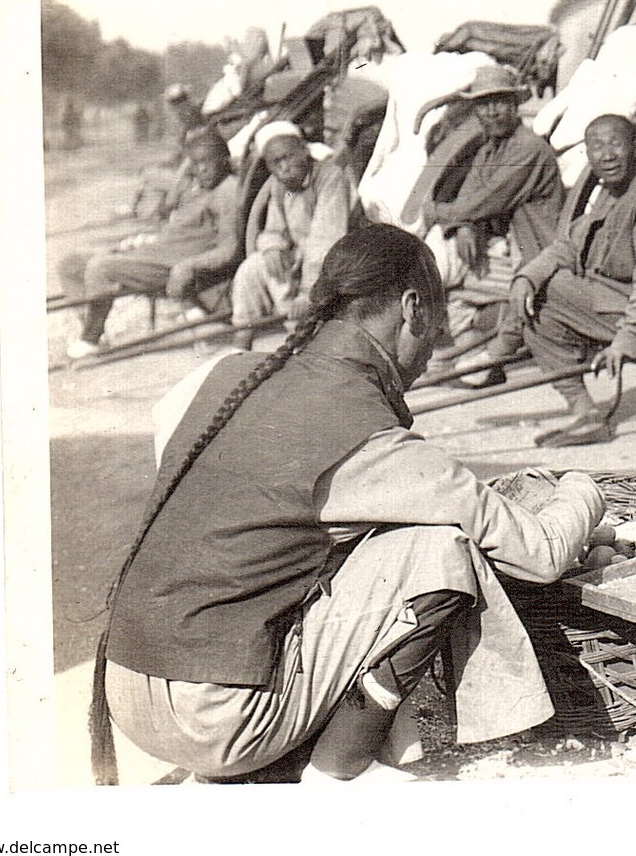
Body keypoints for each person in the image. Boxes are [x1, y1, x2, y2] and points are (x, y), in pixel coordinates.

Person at [90, 224, 608, 785]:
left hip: (128, 689)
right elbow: (544, 553)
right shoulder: (371, 439)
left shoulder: (217, 376)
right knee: (441, 548)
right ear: (412, 308)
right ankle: (340, 768)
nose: (433, 348)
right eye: (434, 322)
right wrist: (583, 487)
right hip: (218, 719)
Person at [501, 114, 636, 447]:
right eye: (597, 147)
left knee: (550, 292)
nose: (607, 155)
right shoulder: (610, 194)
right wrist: (527, 276)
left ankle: (500, 350)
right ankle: (586, 414)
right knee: (536, 290)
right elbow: (568, 245)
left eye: (616, 143)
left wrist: (627, 340)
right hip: (619, 302)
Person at [420, 64, 565, 387]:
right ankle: (478, 360)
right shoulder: (490, 149)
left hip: (542, 253)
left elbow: (482, 201)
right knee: (452, 288)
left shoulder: (527, 149)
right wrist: (464, 226)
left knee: (450, 283)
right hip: (515, 251)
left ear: (515, 106)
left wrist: (438, 213)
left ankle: (486, 361)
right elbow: (472, 199)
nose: (492, 111)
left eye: (500, 102)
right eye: (483, 105)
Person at [59, 128, 242, 359]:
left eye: (208, 162)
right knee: (71, 264)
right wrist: (188, 169)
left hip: (176, 265)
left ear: (224, 160)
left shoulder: (227, 191)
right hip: (158, 253)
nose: (202, 169)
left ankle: (91, 338)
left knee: (100, 267)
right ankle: (94, 325)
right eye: (196, 163)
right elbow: (173, 205)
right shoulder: (199, 185)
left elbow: (230, 249)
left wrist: (189, 267)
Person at [230, 121, 358, 349]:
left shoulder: (329, 177)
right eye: (275, 163)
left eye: (287, 157)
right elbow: (273, 229)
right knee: (252, 268)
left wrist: (309, 291)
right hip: (306, 262)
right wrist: (272, 248)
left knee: (298, 303)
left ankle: (301, 341)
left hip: (340, 261)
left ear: (304, 150)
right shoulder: (281, 186)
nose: (283, 168)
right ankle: (241, 343)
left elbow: (325, 241)